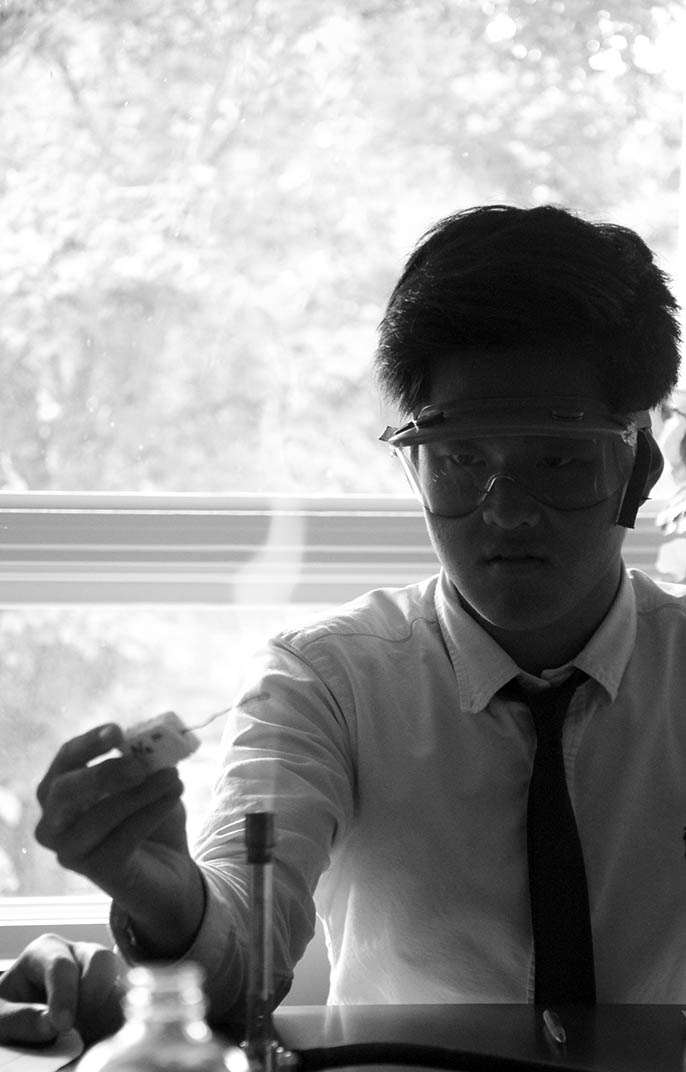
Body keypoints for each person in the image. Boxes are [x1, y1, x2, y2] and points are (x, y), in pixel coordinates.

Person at [1, 204, 684, 1044]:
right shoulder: (328, 680)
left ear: (639, 468)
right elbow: (243, 956)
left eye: (557, 459)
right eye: (460, 459)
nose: (505, 512)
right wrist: (167, 896)